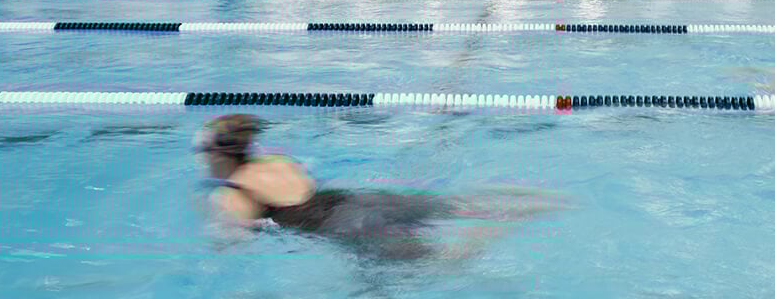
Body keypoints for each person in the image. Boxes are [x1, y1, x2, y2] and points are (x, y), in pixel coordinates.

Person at [195, 114, 555, 259]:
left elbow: (231, 244)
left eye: (205, 151)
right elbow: (306, 187)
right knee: (453, 205)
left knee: (441, 262)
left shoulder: (230, 194)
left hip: (347, 225)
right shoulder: (276, 161)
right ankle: (543, 201)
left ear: (218, 156)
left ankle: (499, 229)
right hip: (356, 198)